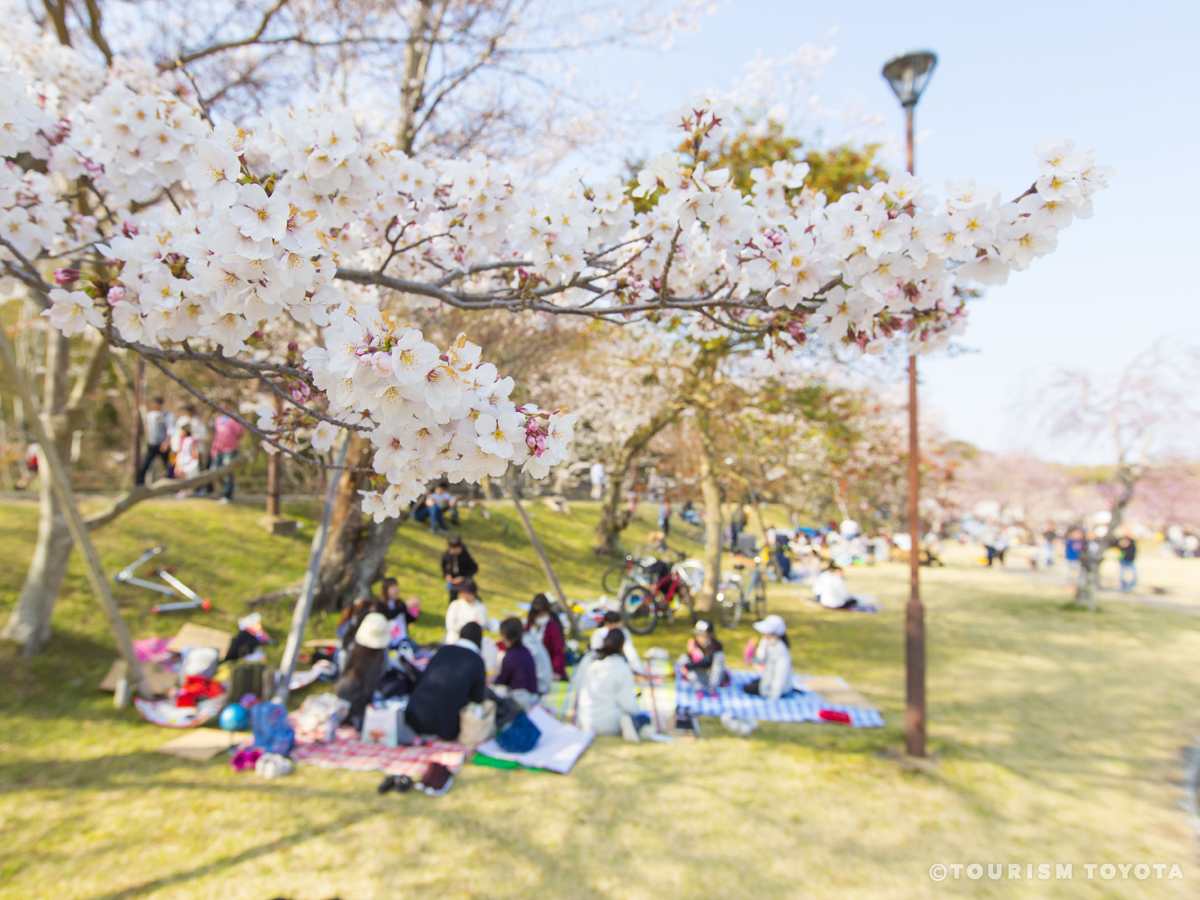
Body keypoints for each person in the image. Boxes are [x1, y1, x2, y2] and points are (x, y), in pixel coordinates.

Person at [405, 621, 488, 741]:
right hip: (447, 727)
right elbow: (478, 698)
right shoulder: (477, 661)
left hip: (415, 716)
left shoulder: (443, 650)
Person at [574, 628, 651, 743]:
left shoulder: (589, 661)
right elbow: (628, 704)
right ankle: (631, 726)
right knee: (645, 717)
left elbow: (577, 685)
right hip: (609, 722)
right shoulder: (621, 667)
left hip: (584, 719)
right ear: (622, 646)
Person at [333, 612, 389, 730]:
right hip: (354, 705)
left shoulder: (356, 648)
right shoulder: (375, 658)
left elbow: (344, 670)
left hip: (340, 694)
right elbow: (368, 689)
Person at [744, 615, 794, 699]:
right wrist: (751, 653)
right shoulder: (766, 641)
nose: (763, 634)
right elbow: (760, 660)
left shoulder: (782, 651)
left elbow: (780, 677)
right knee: (751, 684)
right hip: (768, 679)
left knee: (748, 688)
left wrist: (772, 697)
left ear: (776, 634)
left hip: (779, 687)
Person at [676, 619, 727, 698]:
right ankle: (699, 689)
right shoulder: (694, 645)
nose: (699, 637)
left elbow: (713, 665)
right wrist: (691, 654)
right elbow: (689, 664)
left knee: (720, 657)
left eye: (703, 635)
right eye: (698, 635)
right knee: (684, 661)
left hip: (712, 676)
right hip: (698, 676)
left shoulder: (716, 647)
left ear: (710, 635)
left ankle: (712, 688)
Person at [209, 402, 245, 504]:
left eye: (225, 406)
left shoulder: (235, 418)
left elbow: (239, 432)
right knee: (215, 470)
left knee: (227, 473)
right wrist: (214, 448)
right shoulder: (219, 418)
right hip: (219, 448)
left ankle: (227, 495)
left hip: (230, 448)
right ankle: (228, 487)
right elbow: (216, 434)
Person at [526, 593, 567, 680]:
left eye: (543, 614)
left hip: (548, 666)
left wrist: (555, 671)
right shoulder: (529, 624)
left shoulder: (552, 625)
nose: (541, 617)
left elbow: (558, 650)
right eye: (539, 615)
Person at [589, 610, 643, 675]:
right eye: (615, 624)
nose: (619, 626)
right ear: (607, 624)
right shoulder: (599, 634)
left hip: (618, 660)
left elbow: (630, 651)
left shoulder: (623, 632)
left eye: (619, 623)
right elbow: (596, 652)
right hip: (602, 663)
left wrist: (639, 670)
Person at [494, 617, 539, 694]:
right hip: (532, 694)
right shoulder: (525, 651)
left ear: (504, 636)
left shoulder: (510, 657)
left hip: (520, 698)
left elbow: (501, 682)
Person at [136, 396, 171, 485]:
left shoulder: (167, 415)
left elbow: (171, 430)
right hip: (152, 443)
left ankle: (171, 482)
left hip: (163, 444)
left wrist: (166, 442)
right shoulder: (150, 415)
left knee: (168, 465)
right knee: (145, 464)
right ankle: (139, 483)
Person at [444, 577, 487, 644]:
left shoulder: (481, 607)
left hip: (472, 642)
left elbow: (481, 625)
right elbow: (450, 625)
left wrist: (460, 623)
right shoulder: (455, 604)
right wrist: (471, 624)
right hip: (454, 640)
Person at [441, 534, 479, 601]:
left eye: (456, 548)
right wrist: (446, 575)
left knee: (465, 600)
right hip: (453, 581)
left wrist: (463, 578)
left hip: (464, 582)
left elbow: (474, 568)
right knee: (452, 600)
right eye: (452, 549)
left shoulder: (465, 555)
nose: (454, 551)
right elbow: (443, 565)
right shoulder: (447, 554)